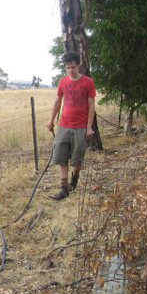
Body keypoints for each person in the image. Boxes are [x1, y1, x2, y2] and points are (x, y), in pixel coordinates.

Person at [46, 51, 96, 200]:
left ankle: (75, 177)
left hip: (80, 126)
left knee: (77, 159)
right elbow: (57, 102)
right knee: (60, 156)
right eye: (67, 67)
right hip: (64, 125)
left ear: (78, 65)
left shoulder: (88, 82)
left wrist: (88, 127)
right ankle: (64, 188)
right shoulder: (63, 82)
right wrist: (51, 120)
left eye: (72, 67)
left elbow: (91, 105)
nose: (70, 70)